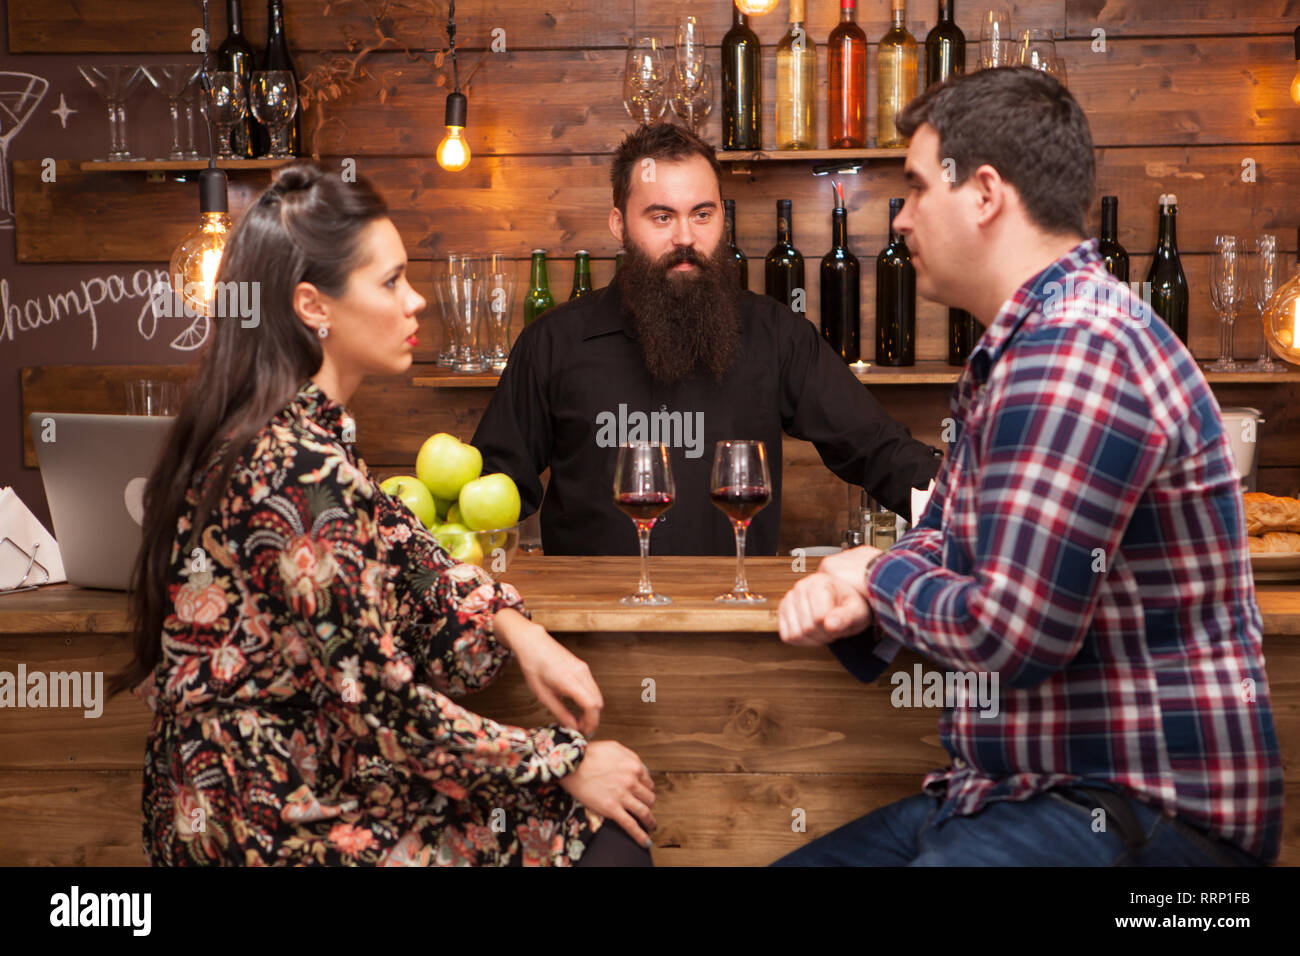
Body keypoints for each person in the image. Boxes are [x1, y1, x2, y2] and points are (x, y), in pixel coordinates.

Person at [774, 68, 1283, 866]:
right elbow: (941, 537)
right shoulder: (1020, 349)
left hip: (1142, 816)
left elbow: (1013, 631)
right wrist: (865, 592)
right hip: (1016, 793)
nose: (900, 220)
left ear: (982, 193)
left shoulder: (1073, 348)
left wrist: (872, 578)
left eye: (912, 189)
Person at [108, 164, 655, 866]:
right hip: (272, 824)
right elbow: (380, 707)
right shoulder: (298, 467)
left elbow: (411, 557)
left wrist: (516, 629)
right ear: (314, 305)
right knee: (606, 843)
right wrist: (564, 761)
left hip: (283, 788)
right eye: (391, 281)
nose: (416, 301)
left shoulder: (292, 433)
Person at [472, 122, 941, 556]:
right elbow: (493, 490)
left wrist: (972, 520)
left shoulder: (776, 335)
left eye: (702, 214)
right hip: (588, 630)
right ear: (619, 225)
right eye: (661, 217)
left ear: (723, 218)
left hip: (735, 628)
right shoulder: (552, 343)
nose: (685, 236)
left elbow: (877, 449)